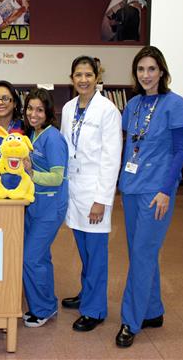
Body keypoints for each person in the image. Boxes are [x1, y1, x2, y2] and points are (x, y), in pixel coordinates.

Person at [115, 46, 183, 347]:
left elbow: (179, 151)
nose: (145, 75)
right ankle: (153, 310)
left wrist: (165, 190)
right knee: (141, 252)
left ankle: (130, 320)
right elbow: (131, 145)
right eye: (140, 69)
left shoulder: (175, 104)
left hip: (156, 190)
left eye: (151, 69)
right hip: (132, 187)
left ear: (162, 71)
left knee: (142, 255)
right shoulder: (132, 105)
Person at [60, 56, 122, 332]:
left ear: (97, 77)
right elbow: (65, 147)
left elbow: (112, 159)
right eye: (78, 74)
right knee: (84, 250)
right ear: (71, 78)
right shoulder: (68, 107)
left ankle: (95, 309)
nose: (83, 79)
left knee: (96, 254)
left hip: (96, 192)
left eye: (88, 74)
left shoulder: (108, 110)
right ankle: (88, 293)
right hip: (74, 188)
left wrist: (101, 200)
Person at [22, 88, 68, 328]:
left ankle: (43, 309)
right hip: (36, 205)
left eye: (40, 109)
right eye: (30, 108)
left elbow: (57, 178)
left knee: (30, 258)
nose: (34, 113)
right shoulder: (34, 134)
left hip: (50, 207)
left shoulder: (53, 138)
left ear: (48, 112)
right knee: (40, 257)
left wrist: (30, 172)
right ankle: (47, 304)